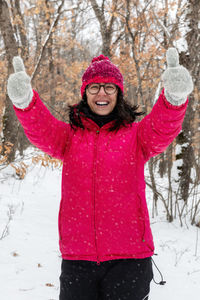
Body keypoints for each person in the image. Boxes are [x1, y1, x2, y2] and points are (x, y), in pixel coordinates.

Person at [7, 48, 193, 300]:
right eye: (94, 87)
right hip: (78, 258)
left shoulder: (136, 136)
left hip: (130, 259)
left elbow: (162, 128)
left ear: (119, 93)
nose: (102, 93)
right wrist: (25, 103)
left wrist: (173, 99)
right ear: (85, 94)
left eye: (109, 87)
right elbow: (42, 129)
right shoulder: (69, 137)